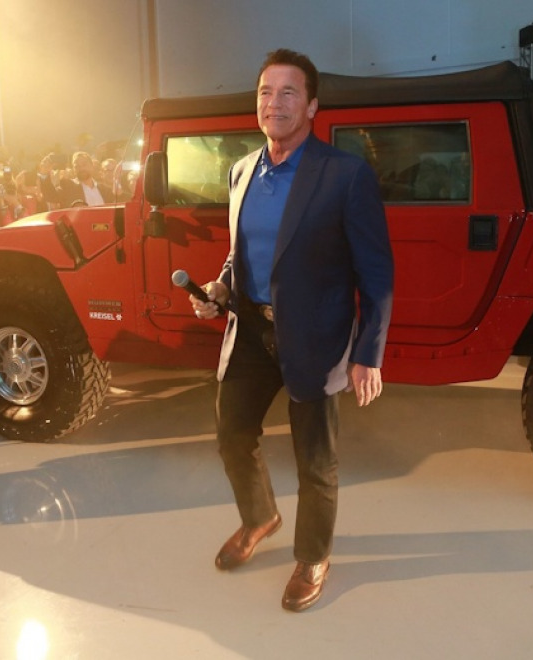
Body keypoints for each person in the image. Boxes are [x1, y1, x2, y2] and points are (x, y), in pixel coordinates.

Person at [190, 48, 394, 612]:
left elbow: (376, 272)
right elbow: (243, 252)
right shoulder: (241, 171)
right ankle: (260, 518)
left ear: (311, 106)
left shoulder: (344, 174)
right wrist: (221, 287)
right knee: (233, 434)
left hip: (318, 338)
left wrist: (369, 353)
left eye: (287, 92)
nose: (273, 102)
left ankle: (313, 556)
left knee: (315, 461)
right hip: (251, 332)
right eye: (265, 91)